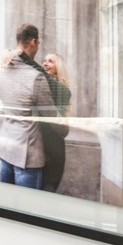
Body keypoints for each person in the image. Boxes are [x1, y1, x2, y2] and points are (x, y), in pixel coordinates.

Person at [0, 23, 60, 188]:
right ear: (34, 42)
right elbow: (51, 117)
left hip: (5, 147)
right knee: (28, 207)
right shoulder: (37, 78)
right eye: (38, 43)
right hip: (26, 155)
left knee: (6, 205)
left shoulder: (0, 71)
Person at [37, 52, 72, 193]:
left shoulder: (63, 90)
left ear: (59, 68)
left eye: (50, 61)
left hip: (53, 150)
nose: (45, 63)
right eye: (44, 60)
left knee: (47, 190)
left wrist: (19, 54)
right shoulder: (40, 85)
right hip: (38, 146)